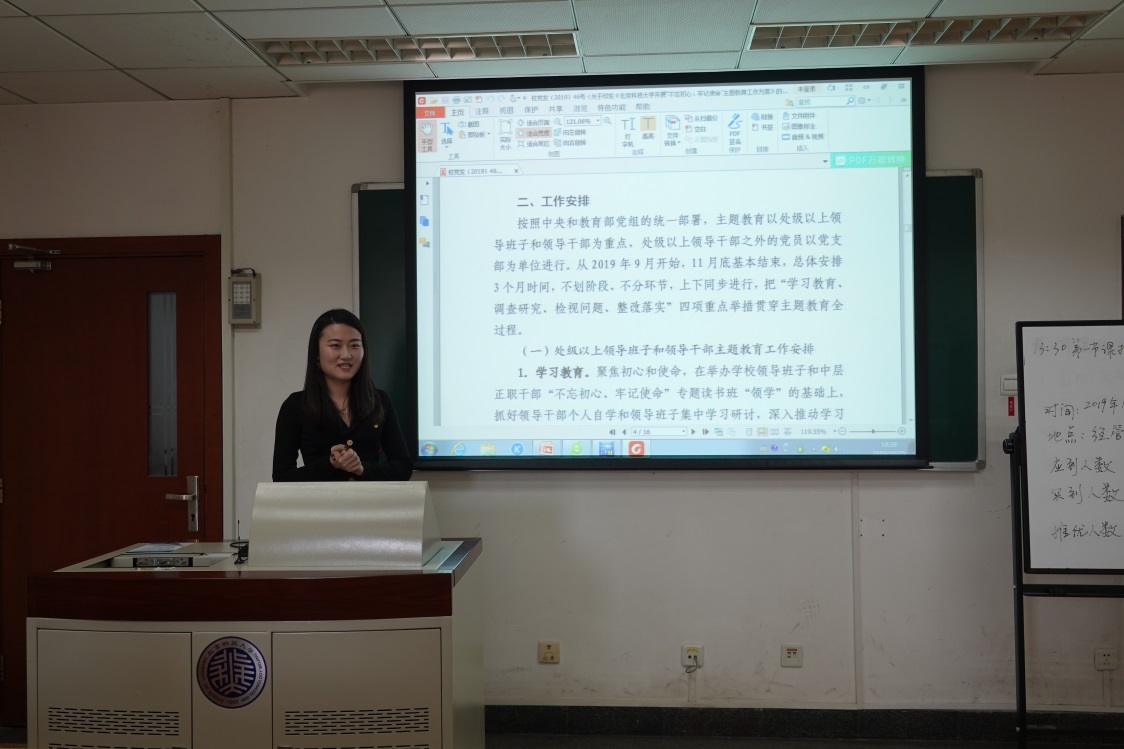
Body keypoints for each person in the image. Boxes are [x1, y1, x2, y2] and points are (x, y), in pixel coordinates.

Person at [272, 309, 413, 482]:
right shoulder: (295, 406)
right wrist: (330, 464)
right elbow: (282, 476)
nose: (346, 355)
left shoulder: (379, 401)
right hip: (318, 500)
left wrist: (361, 469)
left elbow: (403, 467)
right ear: (316, 353)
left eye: (354, 345)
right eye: (335, 346)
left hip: (369, 500)